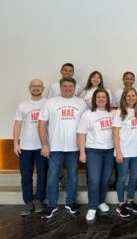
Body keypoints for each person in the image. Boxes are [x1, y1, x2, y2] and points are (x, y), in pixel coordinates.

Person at [38, 77, 87, 219]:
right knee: (53, 176)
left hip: (74, 147)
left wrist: (83, 147)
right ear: (60, 88)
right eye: (65, 86)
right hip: (55, 147)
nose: (68, 88)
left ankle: (70, 202)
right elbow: (41, 125)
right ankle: (51, 204)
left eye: (70, 86)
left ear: (74, 87)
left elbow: (86, 125)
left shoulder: (81, 103)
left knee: (73, 175)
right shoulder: (51, 102)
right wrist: (44, 144)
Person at [77, 88, 114, 223]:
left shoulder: (113, 113)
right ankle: (92, 207)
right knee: (94, 179)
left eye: (104, 97)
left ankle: (100, 201)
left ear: (107, 99)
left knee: (105, 179)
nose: (101, 99)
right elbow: (81, 134)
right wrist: (82, 152)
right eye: (98, 97)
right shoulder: (88, 114)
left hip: (110, 151)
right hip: (93, 151)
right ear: (94, 99)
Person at [13, 79, 48, 216]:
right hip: (26, 146)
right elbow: (17, 125)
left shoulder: (48, 103)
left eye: (38, 86)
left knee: (42, 174)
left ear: (43, 88)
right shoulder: (22, 105)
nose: (36, 88)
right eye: (33, 86)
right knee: (26, 175)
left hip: (42, 146)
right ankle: (28, 201)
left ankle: (39, 199)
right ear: (29, 88)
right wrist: (16, 143)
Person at [113, 88, 137, 218]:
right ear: (124, 98)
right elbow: (115, 133)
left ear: (136, 97)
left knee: (134, 178)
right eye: (128, 96)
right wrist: (118, 152)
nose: (131, 98)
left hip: (136, 152)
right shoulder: (120, 112)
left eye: (133, 95)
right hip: (123, 151)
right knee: (122, 178)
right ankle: (121, 204)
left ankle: (130, 201)